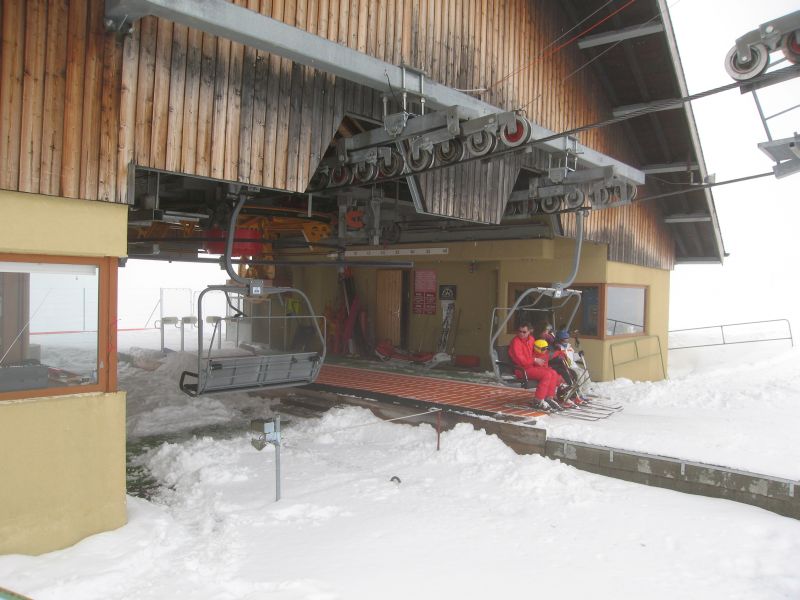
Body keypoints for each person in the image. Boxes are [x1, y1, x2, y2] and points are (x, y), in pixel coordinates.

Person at [508, 323, 562, 410]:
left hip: (531, 367)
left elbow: (536, 352)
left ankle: (549, 398)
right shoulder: (516, 342)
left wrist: (544, 356)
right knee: (547, 374)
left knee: (553, 373)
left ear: (529, 331)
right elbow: (521, 360)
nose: (521, 333)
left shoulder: (531, 339)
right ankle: (538, 400)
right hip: (521, 369)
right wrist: (534, 360)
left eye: (524, 332)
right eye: (519, 331)